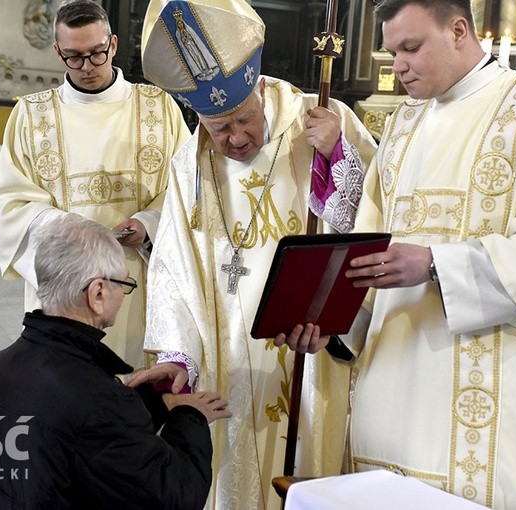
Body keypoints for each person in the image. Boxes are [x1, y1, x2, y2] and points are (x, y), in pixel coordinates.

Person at [301, 1, 516, 508]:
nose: (397, 65)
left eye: (410, 47)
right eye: (392, 50)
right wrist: (332, 327)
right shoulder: (400, 128)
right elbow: (368, 256)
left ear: (459, 29)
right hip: (390, 393)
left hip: (495, 408)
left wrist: (437, 264)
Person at [130, 0, 378, 508]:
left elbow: (375, 226)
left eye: (244, 120)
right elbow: (173, 266)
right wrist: (179, 353)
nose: (236, 138)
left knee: (308, 458)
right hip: (226, 358)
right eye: (219, 129)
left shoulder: (324, 122)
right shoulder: (188, 165)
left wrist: (337, 157)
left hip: (310, 346)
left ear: (260, 89)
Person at [0, 213, 231, 509]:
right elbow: (176, 497)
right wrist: (189, 418)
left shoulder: (0, 365)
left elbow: (76, 437)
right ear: (97, 293)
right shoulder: (97, 397)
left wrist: (152, 400)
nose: (122, 295)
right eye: (123, 283)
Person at [0, 0, 191, 368]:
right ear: (57, 52)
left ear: (113, 45)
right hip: (64, 285)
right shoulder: (31, 115)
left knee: (134, 390)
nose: (87, 67)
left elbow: (188, 186)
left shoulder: (159, 107)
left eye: (97, 54)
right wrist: (78, 234)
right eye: (73, 57)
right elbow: (9, 204)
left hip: (139, 279)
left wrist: (148, 224)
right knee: (65, 391)